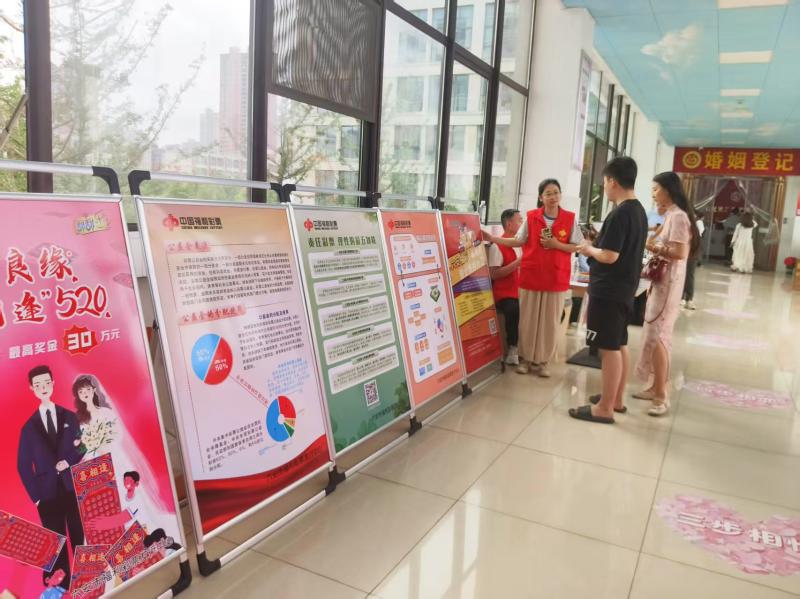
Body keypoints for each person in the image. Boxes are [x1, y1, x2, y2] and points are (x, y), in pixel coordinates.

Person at [568, 156, 647, 424]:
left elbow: (610, 256)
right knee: (619, 343)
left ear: (613, 181)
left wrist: (589, 249)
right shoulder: (638, 211)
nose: (604, 187)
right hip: (624, 288)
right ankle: (616, 399)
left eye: (604, 182)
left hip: (609, 290)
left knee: (608, 348)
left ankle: (604, 408)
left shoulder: (620, 213)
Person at [485, 179, 583, 378]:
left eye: (556, 192)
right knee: (528, 321)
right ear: (541, 197)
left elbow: (577, 246)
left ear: (560, 195)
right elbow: (517, 241)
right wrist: (493, 239)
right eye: (548, 193)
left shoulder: (570, 218)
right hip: (531, 277)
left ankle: (543, 361)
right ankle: (525, 359)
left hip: (555, 278)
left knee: (550, 322)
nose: (553, 197)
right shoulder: (531, 217)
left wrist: (556, 244)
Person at [634, 172, 700, 416]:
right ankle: (655, 386)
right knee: (653, 336)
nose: (653, 194)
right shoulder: (671, 215)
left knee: (659, 337)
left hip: (668, 286)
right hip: (662, 283)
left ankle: (662, 395)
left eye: (655, 189)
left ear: (668, 190)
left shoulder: (679, 217)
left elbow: (680, 253)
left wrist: (652, 246)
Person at [17, 365, 85, 590]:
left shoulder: (69, 416)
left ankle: (86, 578)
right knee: (55, 542)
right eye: (38, 385)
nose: (43, 387)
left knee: (78, 533)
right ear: (31, 388)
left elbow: (82, 446)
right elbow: (23, 465)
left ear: (53, 383)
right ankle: (61, 586)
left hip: (71, 487)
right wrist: (36, 498)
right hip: (47, 494)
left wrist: (68, 461)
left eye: (47, 382)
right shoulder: (29, 428)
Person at [488, 209, 523, 365]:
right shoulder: (497, 246)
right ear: (509, 224)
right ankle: (513, 348)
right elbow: (494, 274)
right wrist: (517, 264)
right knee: (513, 309)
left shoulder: (521, 244)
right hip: (504, 294)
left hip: (522, 290)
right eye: (519, 221)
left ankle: (530, 350)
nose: (523, 224)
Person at [681, 210, 704, 310]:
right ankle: (682, 297)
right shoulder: (683, 224)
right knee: (682, 276)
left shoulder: (697, 225)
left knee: (689, 276)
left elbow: (697, 241)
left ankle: (689, 299)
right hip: (682, 254)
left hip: (691, 254)